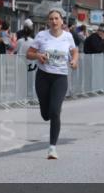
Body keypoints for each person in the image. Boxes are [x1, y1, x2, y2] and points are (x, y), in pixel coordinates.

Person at [26, 9, 78, 160]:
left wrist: (74, 61)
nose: (54, 21)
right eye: (51, 19)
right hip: (43, 76)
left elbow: (74, 52)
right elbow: (29, 53)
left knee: (55, 111)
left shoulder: (68, 37)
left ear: (62, 21)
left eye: (57, 18)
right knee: (45, 114)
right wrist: (38, 55)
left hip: (60, 77)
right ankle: (46, 112)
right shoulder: (42, 36)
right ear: (48, 22)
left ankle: (52, 148)